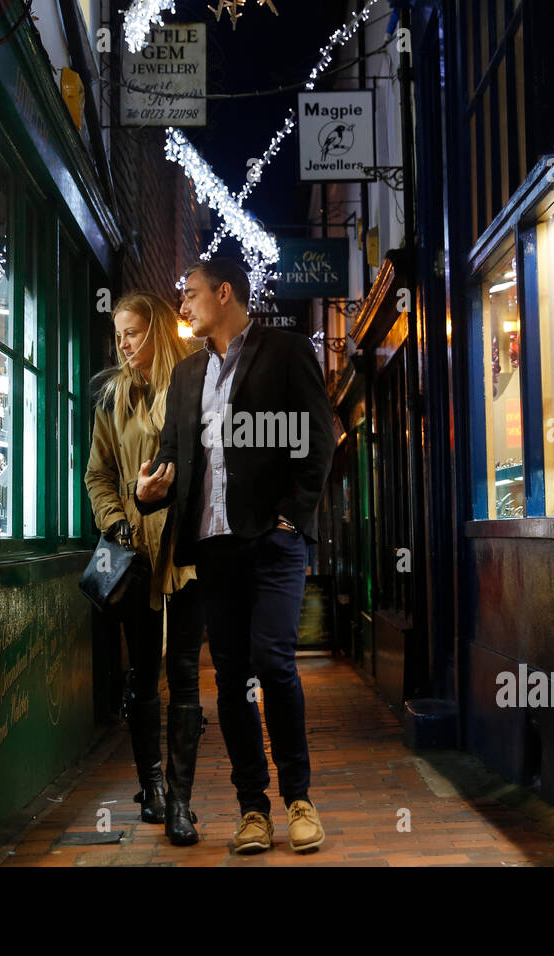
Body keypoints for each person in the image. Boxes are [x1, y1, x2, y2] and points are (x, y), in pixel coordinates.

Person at [135, 258, 334, 854]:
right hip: (213, 548)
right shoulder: (188, 376)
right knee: (229, 680)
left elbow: (318, 436)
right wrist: (150, 491)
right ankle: (254, 809)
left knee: (273, 662)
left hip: (273, 543)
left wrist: (293, 515)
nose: (184, 305)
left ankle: (299, 798)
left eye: (191, 294)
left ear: (225, 294)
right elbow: (172, 458)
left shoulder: (287, 350)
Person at [84, 291, 206, 846]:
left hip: (185, 551)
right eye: (119, 335)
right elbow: (97, 474)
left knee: (183, 671)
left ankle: (181, 802)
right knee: (142, 675)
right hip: (135, 552)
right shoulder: (112, 398)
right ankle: (151, 788)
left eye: (132, 332)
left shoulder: (191, 386)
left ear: (156, 330)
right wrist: (119, 525)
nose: (124, 344)